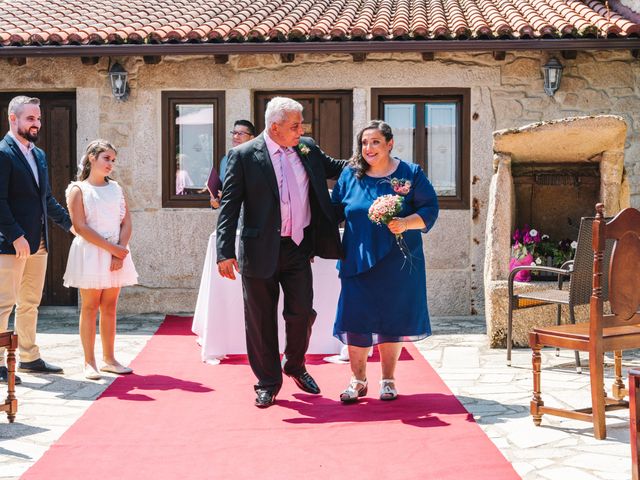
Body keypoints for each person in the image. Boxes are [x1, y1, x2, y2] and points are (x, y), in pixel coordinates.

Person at [216, 97, 346, 408]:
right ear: (274, 127)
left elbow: (339, 168)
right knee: (260, 320)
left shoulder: (307, 148)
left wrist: (375, 158)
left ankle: (295, 364)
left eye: (301, 124)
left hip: (299, 247)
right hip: (259, 249)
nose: (302, 130)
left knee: (302, 313)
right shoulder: (243, 156)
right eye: (295, 125)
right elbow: (229, 206)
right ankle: (268, 381)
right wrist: (224, 251)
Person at [331, 120, 439, 403]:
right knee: (355, 319)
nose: (368, 148)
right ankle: (358, 380)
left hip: (398, 261)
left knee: (392, 319)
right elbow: (333, 211)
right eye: (365, 143)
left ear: (390, 144)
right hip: (356, 258)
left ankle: (388, 380)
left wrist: (405, 222)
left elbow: (430, 209)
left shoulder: (410, 174)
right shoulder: (350, 176)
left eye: (375, 142)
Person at [0, 95, 72, 385]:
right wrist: (16, 235)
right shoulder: (3, 153)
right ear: (12, 118)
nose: (36, 124)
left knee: (30, 303)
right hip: (10, 244)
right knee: (3, 304)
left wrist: (71, 224)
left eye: (38, 119)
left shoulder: (38, 155)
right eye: (30, 118)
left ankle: (28, 356)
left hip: (38, 242)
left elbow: (47, 199)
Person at [63, 140, 138, 380]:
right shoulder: (78, 189)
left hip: (116, 252)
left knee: (110, 307)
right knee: (90, 306)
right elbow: (80, 226)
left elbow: (126, 222)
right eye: (106, 158)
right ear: (92, 158)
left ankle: (109, 359)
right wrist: (112, 250)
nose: (110, 164)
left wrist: (120, 250)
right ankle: (89, 362)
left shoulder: (116, 189)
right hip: (92, 253)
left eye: (113, 160)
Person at [208, 120, 256, 209]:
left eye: (240, 133)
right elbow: (222, 189)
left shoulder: (257, 161)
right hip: (229, 219)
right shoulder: (225, 160)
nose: (235, 136)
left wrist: (228, 197)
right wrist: (216, 201)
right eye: (234, 133)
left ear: (252, 138)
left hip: (250, 219)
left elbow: (258, 194)